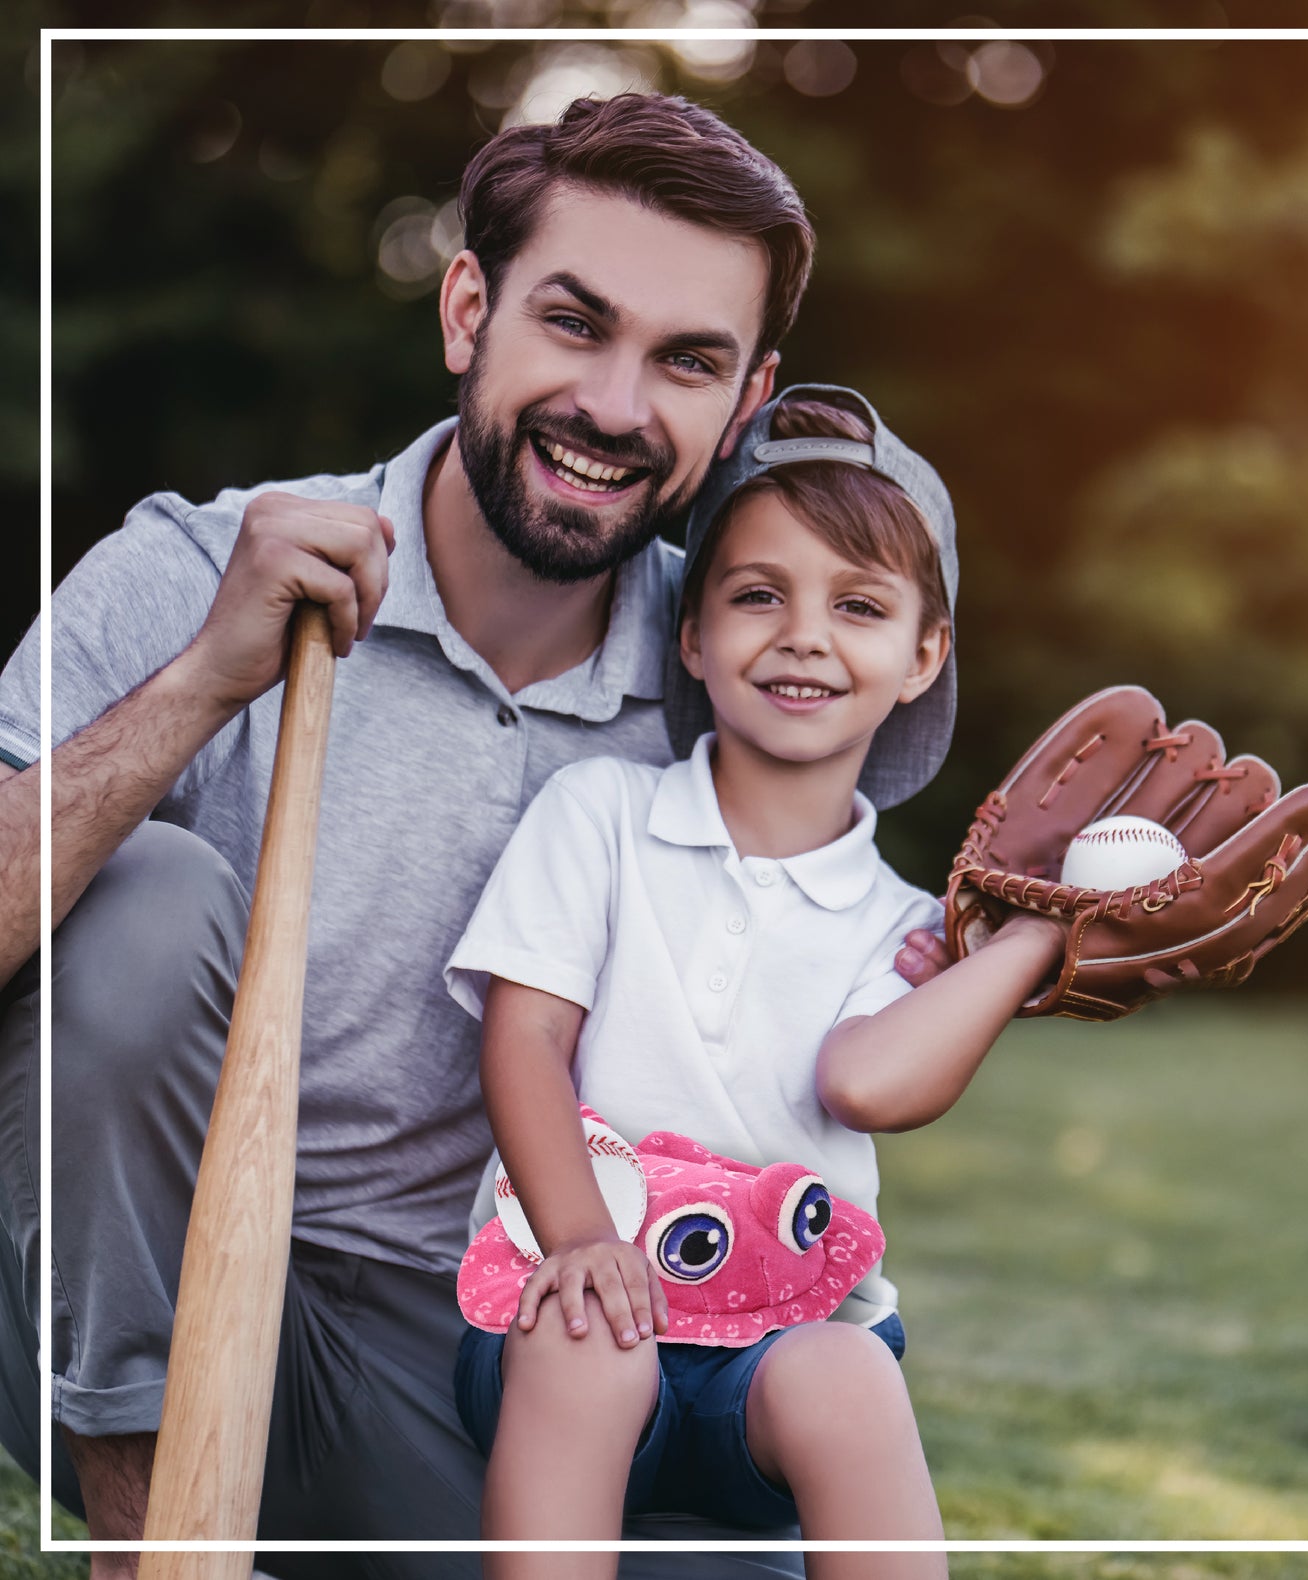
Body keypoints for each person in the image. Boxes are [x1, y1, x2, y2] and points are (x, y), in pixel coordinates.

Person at [0, 93, 952, 1576]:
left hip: (469, 1332)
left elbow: (849, 944)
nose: (619, 407)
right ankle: (163, 1552)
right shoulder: (199, 567)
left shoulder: (737, 671)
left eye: (686, 361)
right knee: (146, 904)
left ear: (746, 397)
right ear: (466, 309)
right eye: (574, 323)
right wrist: (200, 683)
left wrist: (1052, 938)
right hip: (109, 1286)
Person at [443, 387, 1065, 1578]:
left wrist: (1026, 941)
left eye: (861, 605)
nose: (804, 635)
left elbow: (868, 1082)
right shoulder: (602, 816)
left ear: (921, 653)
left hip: (770, 1356)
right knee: (588, 1336)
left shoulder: (902, 927)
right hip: (564, 1301)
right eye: (757, 594)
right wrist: (581, 1237)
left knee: (845, 1373)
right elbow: (521, 1040)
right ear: (691, 631)